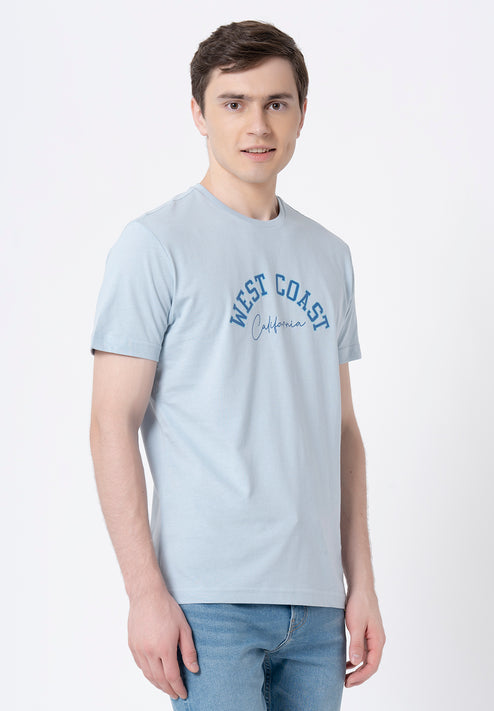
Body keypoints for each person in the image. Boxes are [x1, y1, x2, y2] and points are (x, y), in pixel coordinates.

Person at [89, 19, 385, 711]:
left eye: (276, 103)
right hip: (207, 603)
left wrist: (361, 583)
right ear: (199, 113)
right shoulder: (154, 245)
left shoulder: (329, 254)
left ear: (301, 114)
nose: (257, 124)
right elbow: (110, 422)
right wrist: (144, 592)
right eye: (234, 103)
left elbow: (342, 430)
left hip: (317, 605)